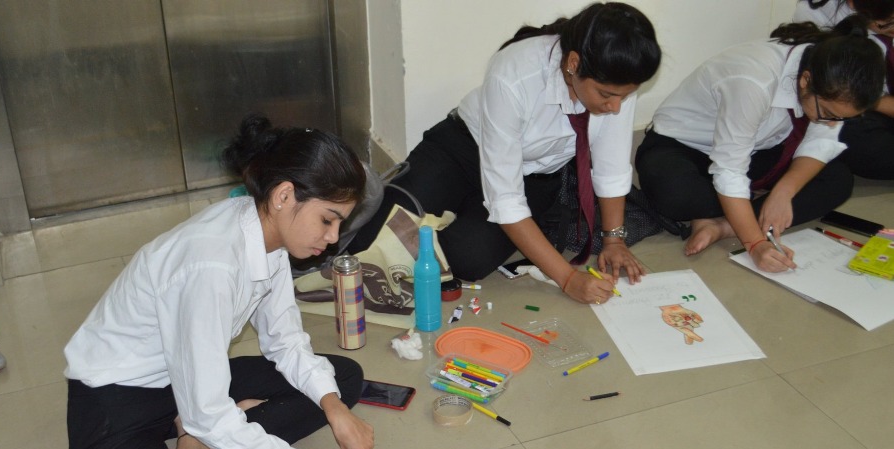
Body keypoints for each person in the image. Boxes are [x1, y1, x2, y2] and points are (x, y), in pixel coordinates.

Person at [64, 114, 396, 449]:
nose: (333, 238)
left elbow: (284, 341)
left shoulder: (266, 234)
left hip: (181, 376)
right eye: (327, 219)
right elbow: (206, 408)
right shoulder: (211, 265)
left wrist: (335, 409)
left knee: (341, 380)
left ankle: (213, 447)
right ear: (284, 196)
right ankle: (196, 448)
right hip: (114, 404)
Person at [345, 2, 663, 305]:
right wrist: (567, 279)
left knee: (467, 259)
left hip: (533, 177)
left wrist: (614, 240)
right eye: (606, 95)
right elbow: (505, 196)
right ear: (574, 63)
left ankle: (468, 219)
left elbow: (610, 168)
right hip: (463, 149)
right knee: (371, 236)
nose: (615, 107)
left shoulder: (616, 83)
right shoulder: (515, 72)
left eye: (624, 97)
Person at [635, 17, 884, 272]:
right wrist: (755, 244)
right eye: (828, 114)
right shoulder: (754, 80)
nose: (831, 123)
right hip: (684, 146)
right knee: (678, 196)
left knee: (838, 179)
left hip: (756, 148)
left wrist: (783, 192)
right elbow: (730, 170)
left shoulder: (828, 77)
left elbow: (821, 141)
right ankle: (739, 212)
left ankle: (724, 225)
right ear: (805, 80)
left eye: (841, 118)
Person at [792, 1, 894, 179]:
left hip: (876, 105)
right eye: (888, 22)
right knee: (850, 131)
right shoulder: (817, 13)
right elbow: (834, 97)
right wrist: (869, 100)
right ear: (853, 4)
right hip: (856, 107)